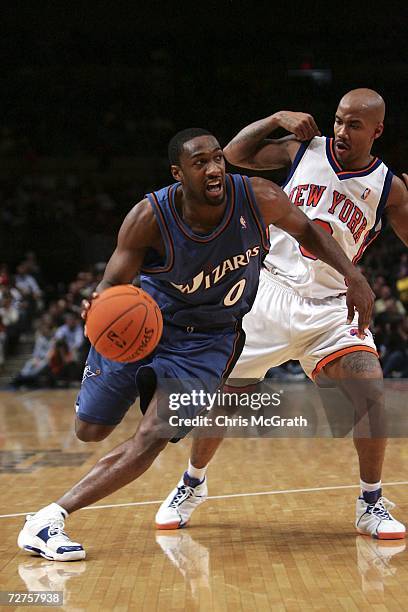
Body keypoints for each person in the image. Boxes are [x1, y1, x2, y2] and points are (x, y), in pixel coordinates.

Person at [17, 128, 373, 561]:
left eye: (218, 158)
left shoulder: (257, 197)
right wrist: (101, 300)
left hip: (208, 341)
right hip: (144, 325)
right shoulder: (149, 217)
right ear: (178, 173)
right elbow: (114, 279)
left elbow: (310, 234)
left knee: (153, 434)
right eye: (200, 162)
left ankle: (48, 519)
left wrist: (353, 276)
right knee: (90, 431)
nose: (214, 169)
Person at [157, 89, 408, 540]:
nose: (341, 131)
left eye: (354, 125)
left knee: (370, 391)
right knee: (225, 401)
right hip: (269, 291)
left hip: (333, 306)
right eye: (338, 120)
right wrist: (275, 116)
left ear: (377, 130)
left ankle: (370, 503)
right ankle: (191, 484)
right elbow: (233, 155)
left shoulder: (390, 188)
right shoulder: (304, 149)